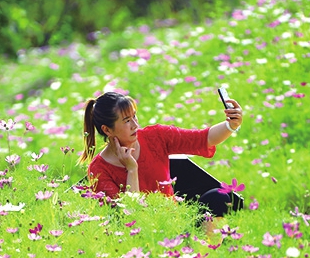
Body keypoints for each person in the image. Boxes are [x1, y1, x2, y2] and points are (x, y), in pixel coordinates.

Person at [79, 90, 243, 219]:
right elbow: (129, 216)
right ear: (107, 130)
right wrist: (131, 169)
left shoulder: (155, 136)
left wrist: (231, 125)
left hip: (176, 223)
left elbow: (202, 139)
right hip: (140, 239)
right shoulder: (99, 169)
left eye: (134, 116)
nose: (135, 125)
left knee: (220, 197)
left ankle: (206, 250)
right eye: (127, 120)